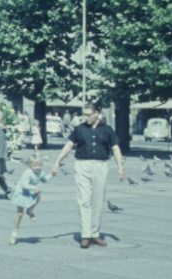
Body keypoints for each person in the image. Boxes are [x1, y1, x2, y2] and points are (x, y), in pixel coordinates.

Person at [52, 102, 125, 249]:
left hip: (100, 166)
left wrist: (120, 167)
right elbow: (68, 145)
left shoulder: (107, 130)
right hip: (82, 165)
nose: (85, 117)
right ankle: (85, 236)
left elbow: (115, 148)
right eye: (84, 114)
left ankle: (95, 234)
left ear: (97, 113)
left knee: (97, 201)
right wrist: (57, 161)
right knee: (84, 201)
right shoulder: (79, 129)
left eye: (88, 114)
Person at [9, 155, 52, 245]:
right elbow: (24, 184)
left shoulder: (40, 172)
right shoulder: (27, 173)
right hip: (21, 192)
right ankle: (14, 233)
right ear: (30, 165)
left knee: (39, 196)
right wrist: (34, 187)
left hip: (30, 192)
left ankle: (30, 210)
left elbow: (45, 179)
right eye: (34, 165)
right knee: (20, 214)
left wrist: (52, 174)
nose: (37, 167)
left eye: (39, 165)